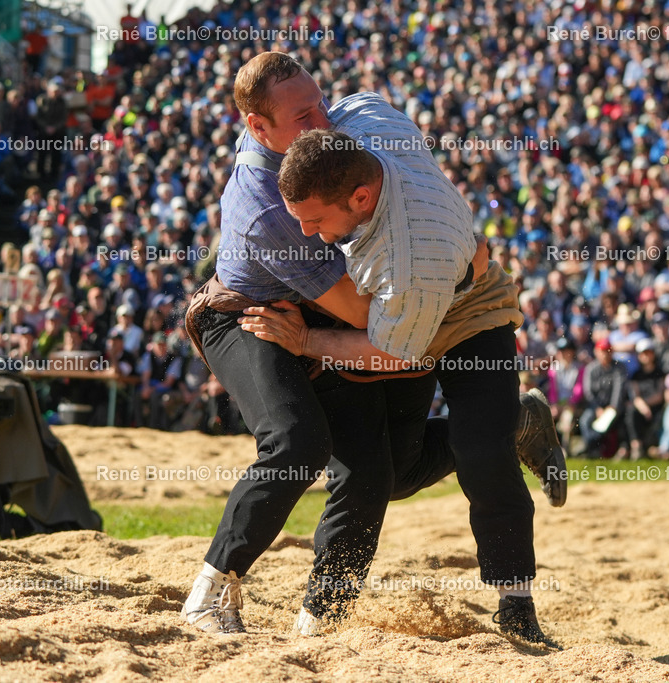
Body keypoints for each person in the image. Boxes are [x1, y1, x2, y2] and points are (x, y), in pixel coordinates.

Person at [185, 53, 563, 646]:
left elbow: (383, 331)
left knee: (403, 466)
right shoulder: (275, 211)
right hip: (257, 316)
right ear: (260, 129)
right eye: (303, 115)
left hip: (390, 307)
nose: (321, 120)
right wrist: (458, 253)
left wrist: (450, 240)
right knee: (302, 443)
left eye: (319, 103)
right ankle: (213, 588)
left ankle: (328, 619)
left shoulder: (352, 127)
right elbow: (364, 315)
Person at [577, 338, 626, 458]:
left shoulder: (619, 368)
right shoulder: (591, 368)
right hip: (595, 407)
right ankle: (592, 448)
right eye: (602, 351)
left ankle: (597, 449)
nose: (605, 354)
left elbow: (618, 391)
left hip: (613, 407)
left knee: (607, 423)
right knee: (585, 421)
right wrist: (597, 408)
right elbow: (588, 392)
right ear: (596, 352)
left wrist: (612, 408)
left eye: (607, 351)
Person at [625, 339, 666, 461]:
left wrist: (645, 405)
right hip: (641, 407)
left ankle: (653, 447)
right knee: (631, 412)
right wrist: (643, 407)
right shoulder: (636, 374)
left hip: (657, 407)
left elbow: (660, 395)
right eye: (643, 353)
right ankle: (636, 446)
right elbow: (635, 395)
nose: (646, 356)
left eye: (648, 352)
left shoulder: (660, 372)